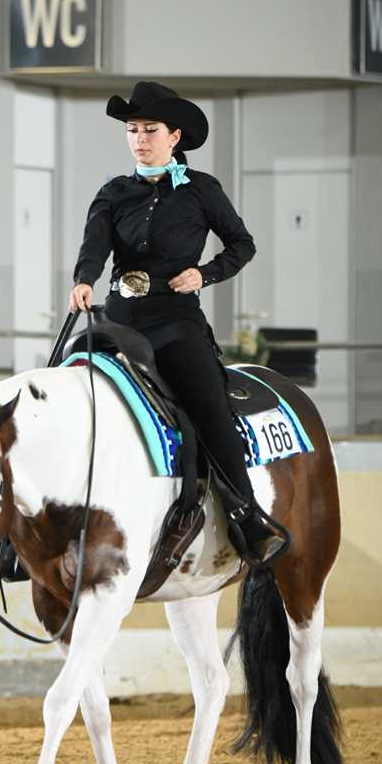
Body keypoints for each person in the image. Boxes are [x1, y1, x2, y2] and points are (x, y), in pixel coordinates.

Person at [69, 80, 287, 566]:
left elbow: (242, 244)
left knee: (208, 405)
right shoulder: (112, 192)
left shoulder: (202, 190)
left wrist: (206, 274)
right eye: (132, 130)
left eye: (150, 129)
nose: (139, 139)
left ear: (175, 136)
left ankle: (245, 514)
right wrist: (84, 279)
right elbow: (94, 246)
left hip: (174, 320)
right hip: (118, 318)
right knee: (63, 382)